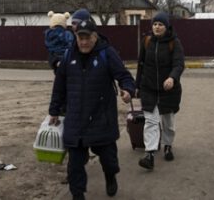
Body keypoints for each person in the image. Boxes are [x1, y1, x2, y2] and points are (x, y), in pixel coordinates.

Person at [49, 19, 136, 200]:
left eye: (87, 37)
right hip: (76, 119)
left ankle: (110, 176)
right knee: (75, 166)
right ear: (76, 37)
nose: (84, 42)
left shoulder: (107, 53)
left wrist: (128, 89)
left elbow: (124, 75)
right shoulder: (68, 56)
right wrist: (54, 110)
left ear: (95, 37)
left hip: (101, 118)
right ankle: (77, 195)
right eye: (80, 38)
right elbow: (59, 85)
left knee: (109, 161)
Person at [135, 11, 185, 170]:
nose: (157, 27)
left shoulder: (174, 43)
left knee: (167, 122)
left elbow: (178, 64)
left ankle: (168, 145)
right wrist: (137, 86)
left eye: (160, 24)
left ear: (166, 26)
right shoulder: (147, 41)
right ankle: (149, 154)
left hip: (168, 90)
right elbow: (141, 64)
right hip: (149, 88)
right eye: (155, 24)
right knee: (150, 121)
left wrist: (172, 78)